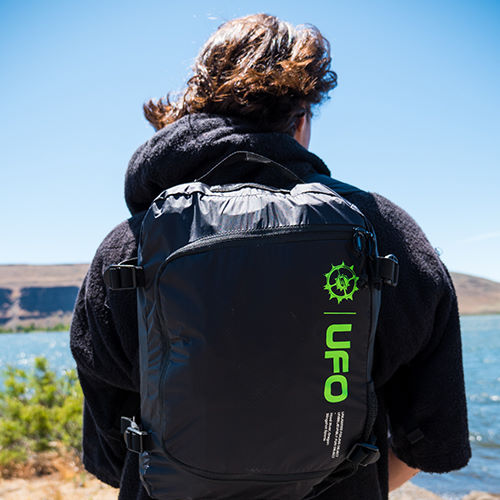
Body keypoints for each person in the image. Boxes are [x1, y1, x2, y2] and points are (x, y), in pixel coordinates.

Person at [70, 13, 471, 500]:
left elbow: (113, 458)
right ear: (300, 120)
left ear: (192, 111)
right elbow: (432, 441)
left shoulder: (126, 247)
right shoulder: (386, 230)